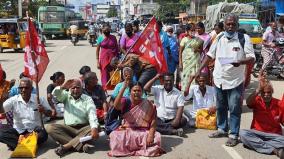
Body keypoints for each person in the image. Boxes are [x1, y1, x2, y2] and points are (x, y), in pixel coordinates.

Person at [196, 13, 255, 147]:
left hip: (235, 81)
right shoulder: (219, 37)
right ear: (224, 25)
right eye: (228, 24)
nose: (230, 26)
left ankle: (233, 134)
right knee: (221, 106)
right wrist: (199, 69)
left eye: (233, 24)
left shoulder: (244, 38)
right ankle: (222, 129)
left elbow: (252, 58)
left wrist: (241, 61)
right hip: (219, 79)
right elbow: (210, 55)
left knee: (234, 108)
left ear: (237, 25)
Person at [108, 81, 164, 157]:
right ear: (130, 91)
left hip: (143, 131)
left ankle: (130, 149)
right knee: (114, 135)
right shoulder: (126, 101)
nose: (136, 93)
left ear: (142, 92)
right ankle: (140, 149)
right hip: (127, 130)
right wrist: (123, 88)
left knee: (157, 136)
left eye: (139, 91)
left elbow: (153, 121)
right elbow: (116, 106)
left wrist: (150, 135)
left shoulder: (148, 104)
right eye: (134, 90)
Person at [46, 79, 99, 157]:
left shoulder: (87, 99)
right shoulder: (66, 96)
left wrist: (94, 128)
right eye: (73, 88)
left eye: (78, 87)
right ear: (69, 89)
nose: (75, 90)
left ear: (82, 88)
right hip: (68, 128)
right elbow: (55, 94)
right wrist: (63, 86)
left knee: (96, 127)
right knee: (50, 128)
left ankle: (66, 146)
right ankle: (81, 146)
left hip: (83, 128)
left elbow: (92, 113)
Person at [240, 74, 284, 158]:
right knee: (242, 134)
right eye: (264, 92)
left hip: (274, 136)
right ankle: (275, 150)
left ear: (272, 92)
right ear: (260, 93)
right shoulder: (257, 100)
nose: (266, 94)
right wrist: (257, 90)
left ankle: (256, 144)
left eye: (268, 92)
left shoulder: (278, 103)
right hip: (257, 133)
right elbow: (248, 102)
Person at [0, 78, 50, 150]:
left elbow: (51, 114)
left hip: (34, 131)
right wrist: (1, 100)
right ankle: (27, 143)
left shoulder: (39, 99)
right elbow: (2, 111)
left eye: (26, 88)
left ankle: (19, 144)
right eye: (21, 88)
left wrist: (44, 111)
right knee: (1, 134)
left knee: (43, 135)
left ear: (31, 89)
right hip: (19, 132)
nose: (23, 90)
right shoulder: (13, 100)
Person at [179, 24, 203, 91]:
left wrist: (197, 50)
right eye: (191, 30)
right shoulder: (184, 40)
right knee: (186, 77)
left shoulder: (199, 40)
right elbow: (180, 52)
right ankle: (186, 92)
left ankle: (194, 93)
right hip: (186, 62)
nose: (193, 32)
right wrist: (180, 63)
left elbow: (201, 50)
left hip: (195, 62)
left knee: (195, 76)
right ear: (187, 31)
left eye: (194, 30)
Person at [96, 23, 119, 90]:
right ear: (102, 30)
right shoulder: (100, 38)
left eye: (108, 29)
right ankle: (105, 88)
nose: (106, 31)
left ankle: (115, 89)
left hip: (113, 58)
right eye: (105, 29)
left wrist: (117, 59)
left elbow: (117, 48)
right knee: (104, 73)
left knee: (113, 73)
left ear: (110, 29)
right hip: (104, 58)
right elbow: (97, 50)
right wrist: (97, 61)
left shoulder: (113, 37)